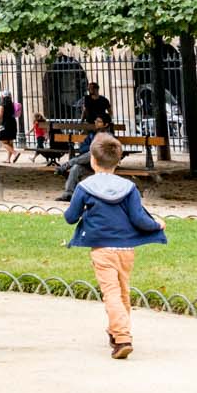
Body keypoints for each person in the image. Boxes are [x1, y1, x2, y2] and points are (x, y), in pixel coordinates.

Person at [63, 133, 167, 358]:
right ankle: (116, 330)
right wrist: (157, 225)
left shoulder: (85, 187)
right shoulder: (128, 187)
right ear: (118, 160)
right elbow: (139, 219)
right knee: (122, 291)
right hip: (126, 249)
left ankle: (122, 338)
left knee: (110, 293)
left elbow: (70, 217)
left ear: (92, 159)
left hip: (102, 249)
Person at [0, 94, 24, 165]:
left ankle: (15, 153)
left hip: (5, 124)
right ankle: (8, 159)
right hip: (13, 123)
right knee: (10, 142)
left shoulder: (1, 105)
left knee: (2, 142)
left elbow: (0, 116)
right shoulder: (12, 104)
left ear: (2, 96)